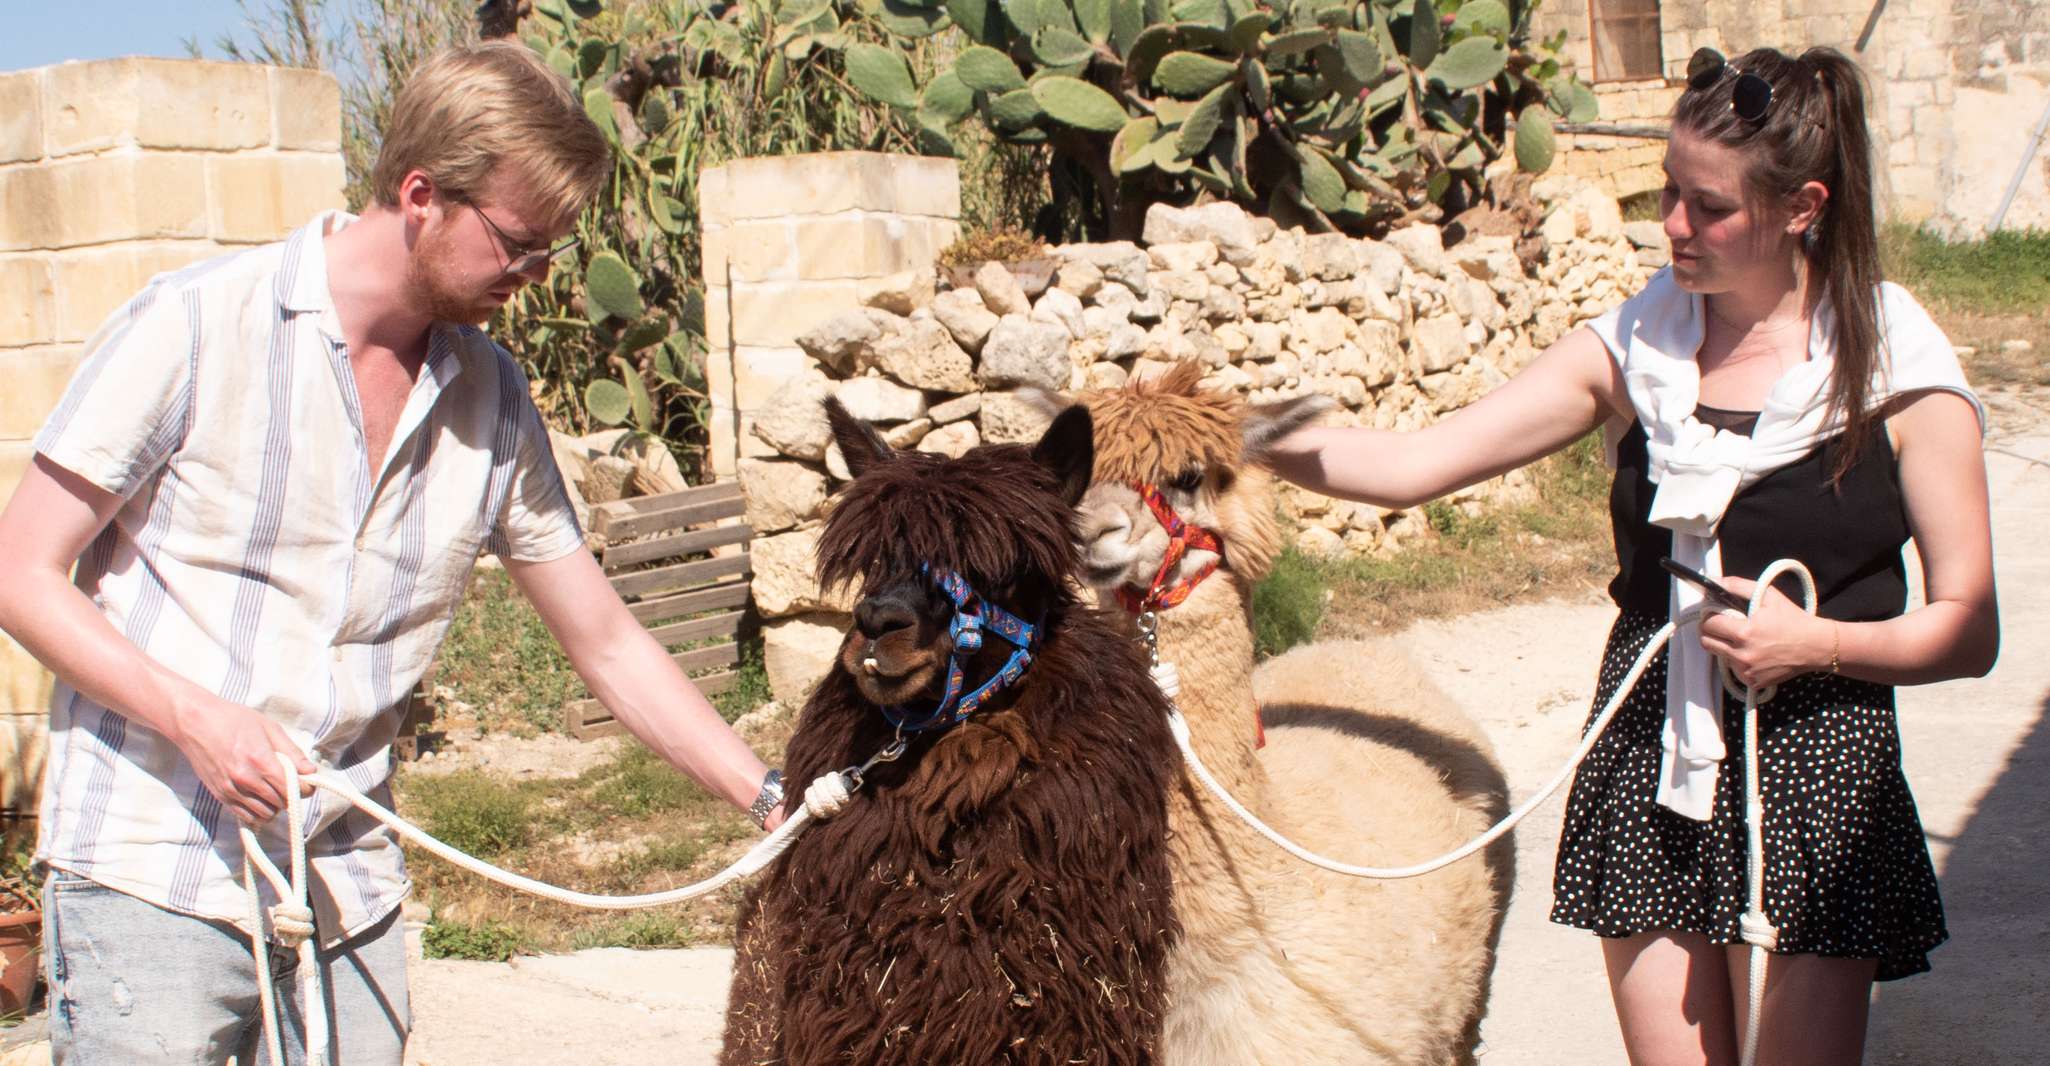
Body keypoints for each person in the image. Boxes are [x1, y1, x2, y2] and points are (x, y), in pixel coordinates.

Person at [0, 41, 787, 1064]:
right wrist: (195, 718)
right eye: (519, 243)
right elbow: (19, 572)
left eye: (552, 250)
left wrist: (767, 796)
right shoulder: (193, 326)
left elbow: (606, 642)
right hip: (154, 874)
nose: (538, 278)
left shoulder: (493, 399)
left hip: (346, 886)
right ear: (422, 193)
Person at [1263, 46, 1998, 1066]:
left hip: (1825, 753)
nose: (1672, 227)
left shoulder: (1897, 372)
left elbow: (1969, 627)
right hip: (1655, 738)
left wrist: (1814, 644)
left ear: (1803, 206)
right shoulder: (1633, 348)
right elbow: (1411, 463)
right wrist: (1231, 434)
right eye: (1667, 193)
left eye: (1709, 207)